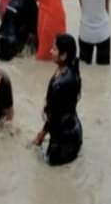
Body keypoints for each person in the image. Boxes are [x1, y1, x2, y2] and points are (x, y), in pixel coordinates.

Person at [32, 34, 82, 166]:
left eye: (54, 49)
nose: (50, 51)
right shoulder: (71, 66)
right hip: (73, 129)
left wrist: (42, 134)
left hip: (62, 143)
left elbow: (54, 115)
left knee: (46, 165)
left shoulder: (61, 84)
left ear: (64, 55)